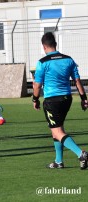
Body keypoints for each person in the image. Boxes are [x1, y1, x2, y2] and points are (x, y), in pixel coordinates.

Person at [33, 32, 88, 169]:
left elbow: (37, 85)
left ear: (44, 47)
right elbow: (77, 81)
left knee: (57, 131)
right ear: (55, 44)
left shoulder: (42, 62)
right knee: (57, 128)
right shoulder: (69, 59)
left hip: (52, 101)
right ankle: (59, 161)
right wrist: (84, 98)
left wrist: (35, 99)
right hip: (67, 99)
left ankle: (81, 153)